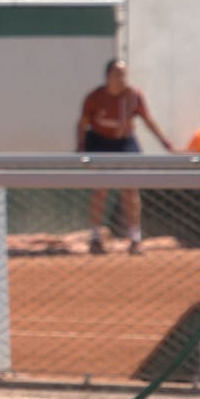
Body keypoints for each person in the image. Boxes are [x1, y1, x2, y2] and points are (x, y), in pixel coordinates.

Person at [77, 58, 174, 254]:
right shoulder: (95, 97)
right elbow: (82, 124)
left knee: (130, 188)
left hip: (124, 142)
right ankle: (95, 237)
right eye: (117, 74)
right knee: (100, 188)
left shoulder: (134, 96)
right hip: (99, 141)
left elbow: (147, 120)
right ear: (108, 77)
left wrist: (166, 143)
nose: (122, 79)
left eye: (124, 74)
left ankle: (135, 238)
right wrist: (81, 149)